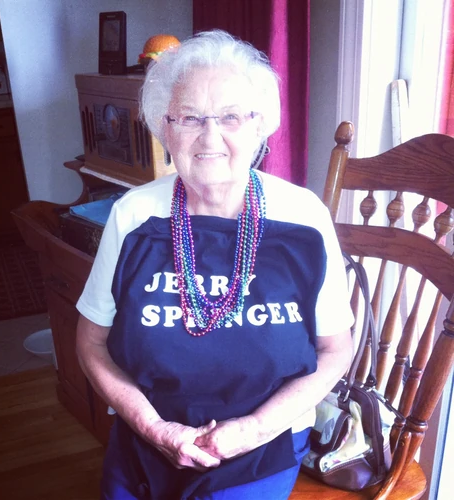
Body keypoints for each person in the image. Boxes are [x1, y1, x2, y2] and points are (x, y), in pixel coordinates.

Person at [76, 30, 354, 500]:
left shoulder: (302, 217)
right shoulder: (134, 216)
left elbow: (335, 350)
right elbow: (90, 343)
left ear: (259, 125)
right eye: (188, 117)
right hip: (149, 435)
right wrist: (155, 428)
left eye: (230, 116)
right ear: (164, 128)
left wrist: (255, 428)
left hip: (263, 443)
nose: (209, 137)